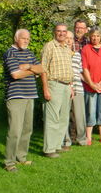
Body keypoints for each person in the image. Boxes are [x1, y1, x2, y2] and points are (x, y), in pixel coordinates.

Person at [3, 29, 44, 172]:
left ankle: (21, 157)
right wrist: (33, 71)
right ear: (16, 38)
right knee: (15, 130)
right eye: (23, 38)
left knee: (27, 129)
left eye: (28, 38)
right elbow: (15, 75)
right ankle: (9, 162)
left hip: (30, 95)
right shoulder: (10, 53)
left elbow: (41, 69)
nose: (26, 41)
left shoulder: (29, 53)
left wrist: (28, 67)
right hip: (15, 97)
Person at [41, 24, 74, 158]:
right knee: (52, 118)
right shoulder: (49, 46)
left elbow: (68, 69)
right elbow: (43, 69)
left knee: (63, 118)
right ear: (54, 32)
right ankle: (49, 149)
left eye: (64, 32)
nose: (61, 34)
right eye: (59, 31)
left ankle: (57, 145)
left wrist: (70, 87)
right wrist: (45, 88)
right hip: (53, 84)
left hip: (66, 86)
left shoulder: (67, 48)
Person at [63, 31, 87, 148]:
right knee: (65, 116)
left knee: (79, 116)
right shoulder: (60, 54)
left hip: (78, 88)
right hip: (65, 88)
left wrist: (90, 83)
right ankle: (66, 141)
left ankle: (81, 139)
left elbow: (80, 72)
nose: (68, 40)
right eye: (67, 38)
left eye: (71, 38)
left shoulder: (77, 55)